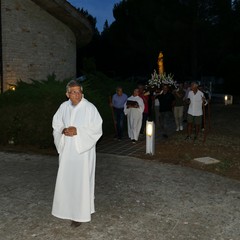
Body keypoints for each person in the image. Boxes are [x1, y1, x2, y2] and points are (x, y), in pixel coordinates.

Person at [51, 79, 103, 227]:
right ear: (67, 94)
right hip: (67, 150)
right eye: (73, 92)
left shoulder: (90, 108)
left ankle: (80, 214)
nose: (77, 95)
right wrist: (63, 130)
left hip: (83, 152)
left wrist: (78, 131)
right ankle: (65, 209)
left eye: (79, 92)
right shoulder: (63, 107)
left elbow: (97, 129)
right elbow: (56, 123)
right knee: (67, 179)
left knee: (81, 181)